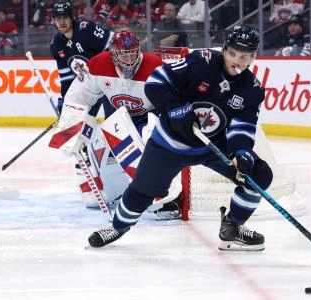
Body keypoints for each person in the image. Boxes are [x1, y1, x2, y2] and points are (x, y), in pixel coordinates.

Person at [87, 25, 274, 252]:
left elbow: (243, 127)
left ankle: (233, 226)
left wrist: (242, 153)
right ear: (224, 50)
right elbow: (157, 81)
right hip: (169, 144)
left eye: (244, 57)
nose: (237, 61)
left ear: (253, 57)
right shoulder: (201, 61)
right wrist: (177, 110)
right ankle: (118, 227)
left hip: (212, 146)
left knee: (259, 175)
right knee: (143, 192)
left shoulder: (252, 89)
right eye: (233, 53)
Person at [52, 29, 184, 211]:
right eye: (124, 54)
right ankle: (104, 187)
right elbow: (78, 97)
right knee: (93, 147)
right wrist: (70, 130)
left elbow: (172, 98)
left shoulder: (154, 65)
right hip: (116, 119)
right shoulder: (98, 64)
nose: (129, 60)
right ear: (113, 53)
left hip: (147, 116)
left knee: (151, 147)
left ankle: (165, 194)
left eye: (132, 53)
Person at [50, 0, 113, 206]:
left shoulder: (86, 30)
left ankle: (129, 182)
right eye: (57, 18)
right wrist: (65, 105)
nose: (61, 22)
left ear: (71, 17)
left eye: (64, 17)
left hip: (110, 83)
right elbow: (67, 79)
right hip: (89, 90)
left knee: (116, 129)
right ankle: (93, 186)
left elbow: (114, 47)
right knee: (82, 136)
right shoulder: (56, 45)